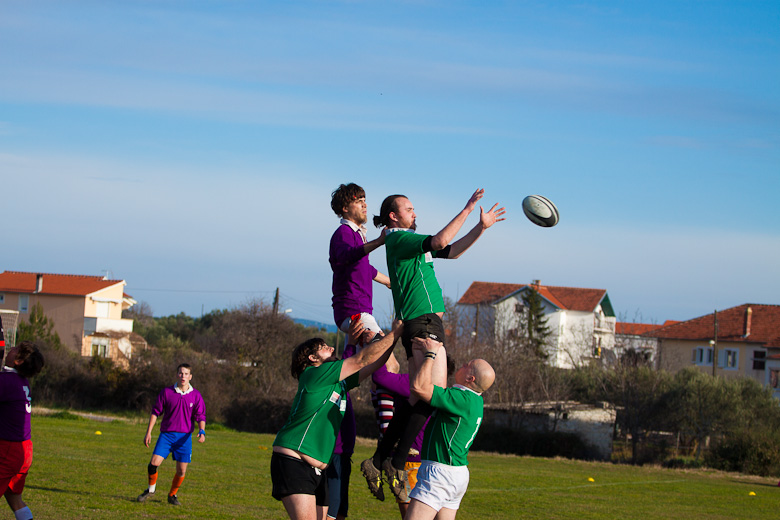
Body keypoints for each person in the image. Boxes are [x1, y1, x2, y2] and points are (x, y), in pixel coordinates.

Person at [362, 189, 505, 500]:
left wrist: (481, 227)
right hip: (424, 323)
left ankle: (379, 461)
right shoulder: (399, 238)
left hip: (424, 323)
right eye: (409, 208)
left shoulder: (410, 245)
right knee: (429, 395)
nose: (415, 212)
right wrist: (467, 207)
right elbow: (439, 241)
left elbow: (452, 251)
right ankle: (395, 462)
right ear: (393, 215)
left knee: (420, 396)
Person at [271, 318, 403, 520]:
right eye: (323, 347)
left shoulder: (336, 382)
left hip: (318, 469)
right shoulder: (314, 373)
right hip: (294, 460)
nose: (331, 347)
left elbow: (374, 363)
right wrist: (396, 333)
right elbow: (361, 360)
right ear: (313, 358)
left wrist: (388, 340)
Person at [405, 336, 495, 520]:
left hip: (439, 472)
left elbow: (419, 387)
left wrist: (430, 354)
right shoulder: (475, 401)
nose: (462, 364)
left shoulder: (461, 398)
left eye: (466, 364)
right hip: (457, 473)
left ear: (471, 378)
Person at [137, 363, 206, 506]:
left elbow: (200, 416)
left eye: (186, 374)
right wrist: (148, 432)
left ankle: (172, 495)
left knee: (181, 471)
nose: (183, 376)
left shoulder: (196, 395)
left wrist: (202, 430)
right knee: (153, 464)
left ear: (190, 377)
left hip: (184, 439)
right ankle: (150, 490)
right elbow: (155, 412)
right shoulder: (167, 392)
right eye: (181, 373)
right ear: (177, 375)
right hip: (167, 436)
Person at [329, 183, 391, 338]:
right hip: (354, 310)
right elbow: (347, 255)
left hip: (357, 310)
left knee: (359, 362)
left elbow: (365, 268)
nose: (365, 204)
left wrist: (390, 282)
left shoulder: (358, 235)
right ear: (345, 208)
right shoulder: (344, 233)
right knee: (387, 359)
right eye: (359, 201)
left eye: (365, 200)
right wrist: (378, 241)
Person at [0, 341, 44, 520]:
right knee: (14, 497)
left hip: (10, 449)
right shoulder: (20, 381)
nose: (10, 349)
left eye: (15, 349)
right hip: (24, 449)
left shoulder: (7, 381)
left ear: (18, 361)